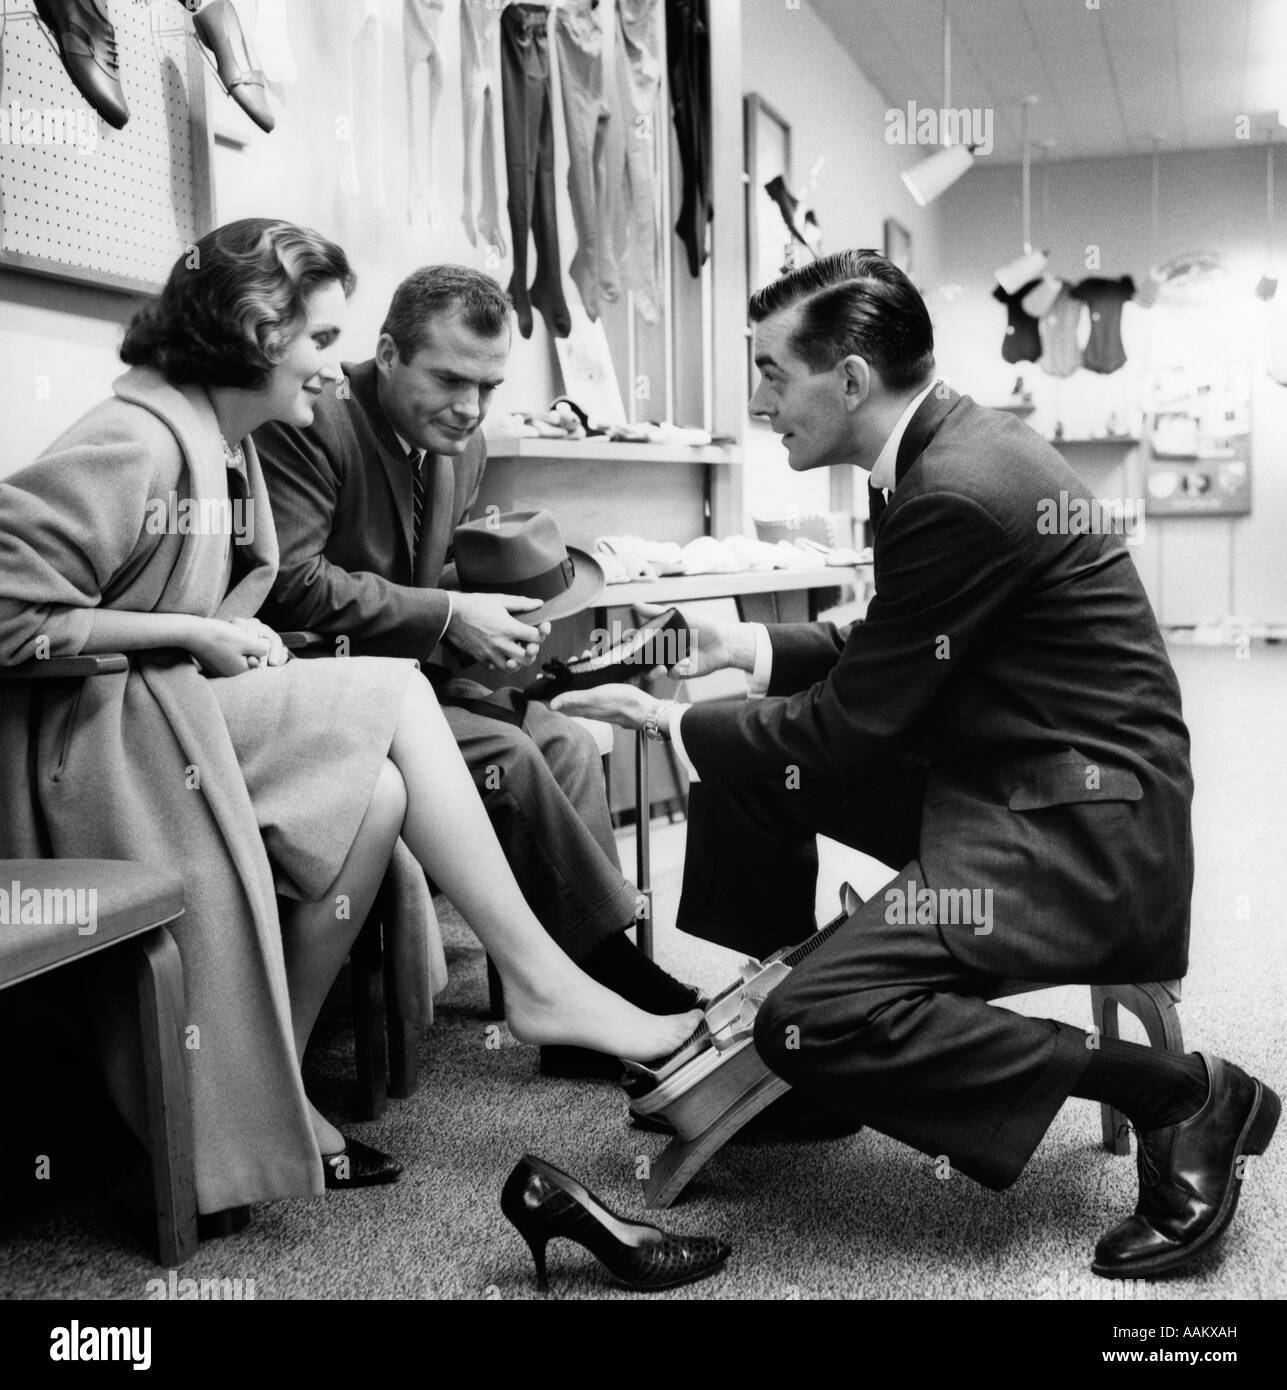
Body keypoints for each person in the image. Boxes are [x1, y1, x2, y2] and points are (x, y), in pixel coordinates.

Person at [552, 249, 1279, 1280]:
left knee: (819, 1009)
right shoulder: (946, 451)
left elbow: (853, 725)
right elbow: (901, 649)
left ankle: (1180, 1091)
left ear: (850, 380)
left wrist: (671, 725)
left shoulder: (956, 486)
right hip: (1012, 771)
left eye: (770, 373)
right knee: (751, 767)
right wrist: (743, 651)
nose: (759, 402)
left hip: (1080, 832)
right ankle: (798, 1074)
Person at [0, 218, 701, 1217]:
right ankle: (543, 980)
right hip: (86, 755)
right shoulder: (136, 438)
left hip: (158, 725)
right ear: (255, 333)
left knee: (371, 798)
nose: (331, 372)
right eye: (321, 342)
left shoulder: (214, 437)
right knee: (396, 698)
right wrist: (188, 639)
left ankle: (275, 1090)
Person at [252, 263, 699, 1077]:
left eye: (487, 387)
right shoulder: (312, 420)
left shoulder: (464, 441)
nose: (470, 407)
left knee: (561, 739)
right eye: (450, 379)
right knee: (511, 756)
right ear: (386, 353)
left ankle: (577, 1009)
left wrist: (493, 627)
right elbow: (290, 585)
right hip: (325, 689)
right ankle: (607, 981)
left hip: (415, 678)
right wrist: (452, 616)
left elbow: (429, 575)